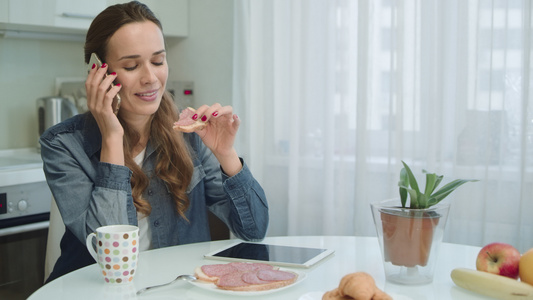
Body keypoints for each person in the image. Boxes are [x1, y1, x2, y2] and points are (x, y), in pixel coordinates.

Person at [40, 1, 269, 283]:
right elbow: (111, 256)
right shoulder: (63, 144)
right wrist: (112, 136)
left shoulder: (190, 135)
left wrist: (226, 154)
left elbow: (254, 230)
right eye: (132, 65)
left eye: (158, 61)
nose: (151, 78)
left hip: (170, 289)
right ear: (98, 71)